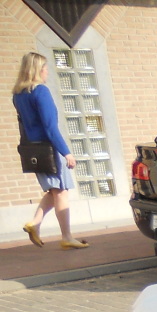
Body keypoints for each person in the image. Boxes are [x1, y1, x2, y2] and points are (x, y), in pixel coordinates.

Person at [12, 52, 88, 249]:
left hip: (34, 150)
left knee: (54, 191)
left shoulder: (19, 95)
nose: (47, 72)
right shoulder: (40, 92)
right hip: (49, 149)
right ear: (38, 70)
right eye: (45, 68)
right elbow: (50, 127)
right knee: (61, 192)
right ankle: (67, 237)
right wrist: (66, 152)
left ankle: (34, 224)